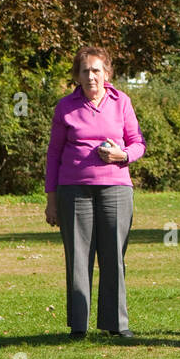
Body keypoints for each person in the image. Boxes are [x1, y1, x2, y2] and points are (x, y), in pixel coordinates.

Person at [44, 45, 146, 340]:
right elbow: (53, 155)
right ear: (77, 75)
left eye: (96, 70)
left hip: (116, 187)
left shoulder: (121, 102)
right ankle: (79, 325)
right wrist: (51, 200)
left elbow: (138, 143)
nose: (91, 76)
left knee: (114, 254)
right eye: (85, 71)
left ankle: (116, 323)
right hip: (73, 189)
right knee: (77, 257)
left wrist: (123, 156)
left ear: (107, 73)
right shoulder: (65, 106)